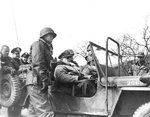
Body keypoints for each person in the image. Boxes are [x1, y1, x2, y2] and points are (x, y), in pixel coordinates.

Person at [26, 27, 57, 117]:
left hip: (37, 80)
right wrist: (44, 79)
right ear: (44, 36)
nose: (52, 37)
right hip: (37, 79)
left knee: (33, 111)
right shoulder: (38, 44)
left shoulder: (46, 46)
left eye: (52, 36)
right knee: (45, 112)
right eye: (50, 35)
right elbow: (38, 63)